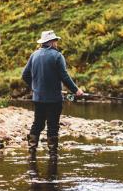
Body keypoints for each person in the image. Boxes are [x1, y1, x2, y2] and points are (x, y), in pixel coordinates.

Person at [22, 30, 84, 159]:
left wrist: (35, 87)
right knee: (53, 125)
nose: (57, 43)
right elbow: (64, 76)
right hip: (54, 98)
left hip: (38, 98)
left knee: (37, 123)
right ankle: (52, 154)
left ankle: (32, 151)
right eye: (55, 41)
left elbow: (25, 75)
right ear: (51, 42)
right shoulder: (57, 56)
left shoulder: (34, 55)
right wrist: (76, 90)